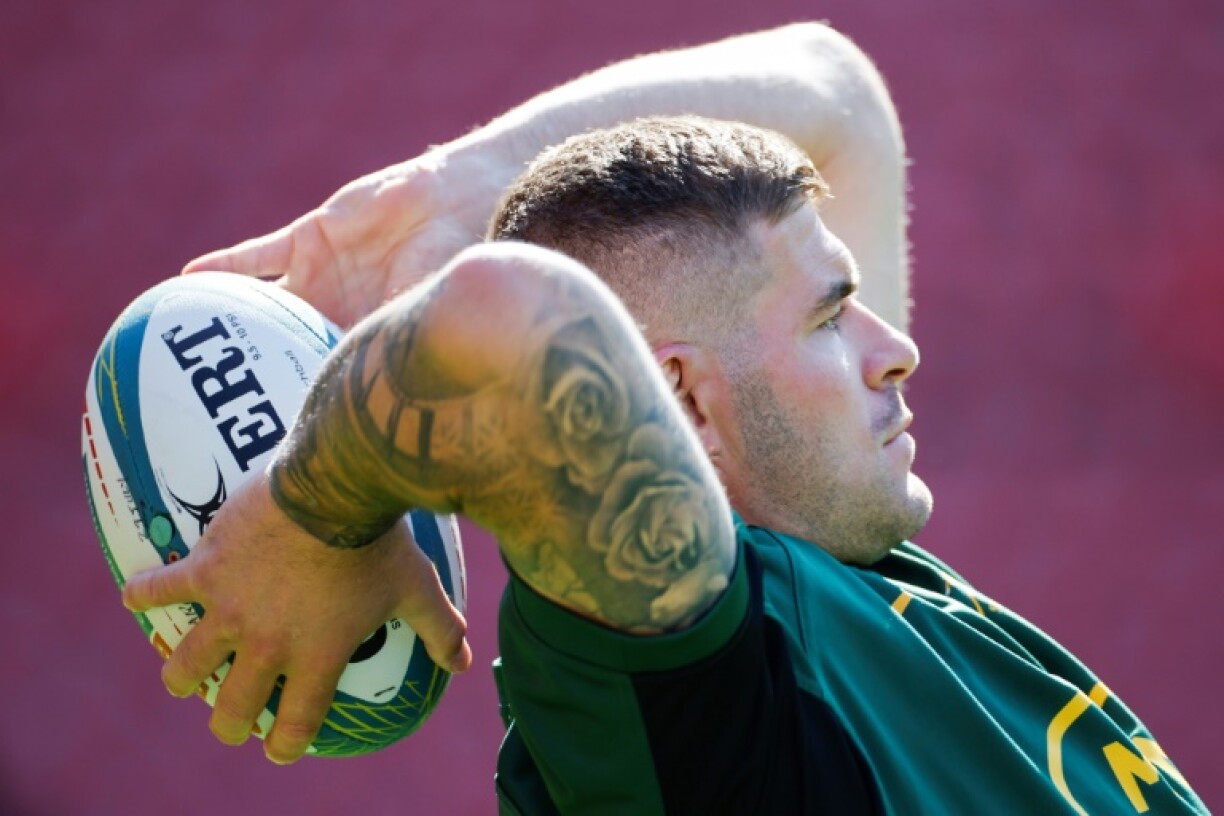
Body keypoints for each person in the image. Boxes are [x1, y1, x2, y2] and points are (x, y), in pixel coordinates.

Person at [121, 24, 1205, 814]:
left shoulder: (847, 551)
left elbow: (838, 96)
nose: (896, 349)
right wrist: (314, 515)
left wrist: (457, 193)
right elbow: (507, 319)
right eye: (830, 318)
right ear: (685, 402)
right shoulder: (698, 694)